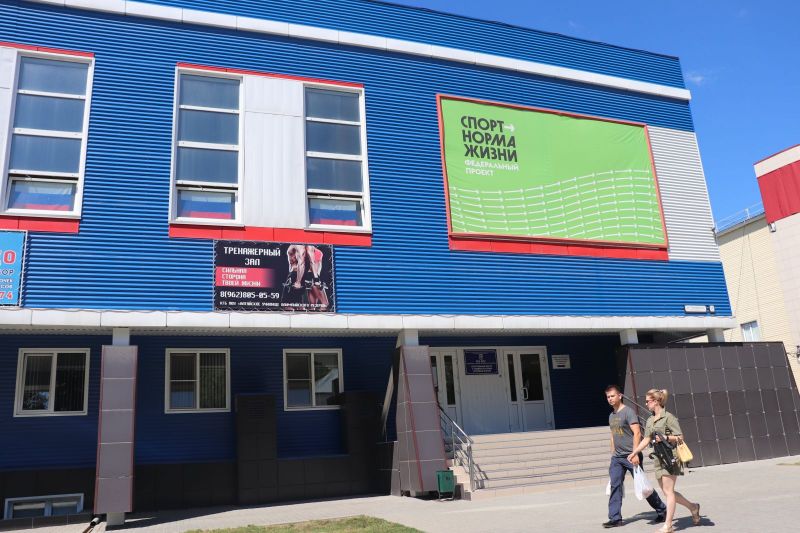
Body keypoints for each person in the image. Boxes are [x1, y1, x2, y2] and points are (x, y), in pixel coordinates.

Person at [628, 389, 702, 533]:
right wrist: (634, 452)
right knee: (668, 492)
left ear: (656, 401)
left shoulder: (669, 417)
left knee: (668, 492)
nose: (646, 404)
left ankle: (668, 525)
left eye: (648, 401)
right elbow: (646, 439)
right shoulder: (650, 420)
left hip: (670, 457)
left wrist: (666, 437)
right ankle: (693, 507)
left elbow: (680, 437)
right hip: (658, 458)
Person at [603, 385, 666, 528]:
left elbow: (637, 433)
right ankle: (615, 519)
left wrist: (635, 453)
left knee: (643, 486)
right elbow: (613, 434)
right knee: (615, 485)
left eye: (612, 396)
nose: (610, 399)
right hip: (617, 458)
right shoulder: (611, 415)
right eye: (608, 397)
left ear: (620, 396)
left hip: (631, 456)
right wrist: (613, 452)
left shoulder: (628, 412)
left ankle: (662, 510)